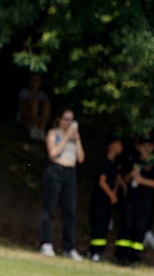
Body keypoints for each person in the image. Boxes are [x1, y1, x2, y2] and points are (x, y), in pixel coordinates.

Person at [39, 108, 84, 259]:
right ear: (59, 119)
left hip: (70, 173)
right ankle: (46, 243)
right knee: (49, 208)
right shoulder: (54, 133)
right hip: (56, 170)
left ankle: (69, 247)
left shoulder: (74, 137)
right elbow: (52, 154)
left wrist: (77, 139)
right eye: (66, 119)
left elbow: (81, 158)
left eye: (71, 120)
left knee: (69, 211)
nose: (68, 123)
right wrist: (65, 137)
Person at [117, 136, 154, 265]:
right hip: (131, 197)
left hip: (145, 199)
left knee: (140, 226)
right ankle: (121, 255)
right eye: (144, 146)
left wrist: (142, 180)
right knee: (126, 224)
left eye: (149, 146)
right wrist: (131, 175)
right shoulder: (133, 160)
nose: (146, 149)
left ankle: (134, 256)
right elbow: (124, 178)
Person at [87, 137, 124, 261]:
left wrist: (117, 190)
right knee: (99, 224)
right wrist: (111, 195)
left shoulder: (115, 163)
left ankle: (99, 251)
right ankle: (94, 252)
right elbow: (102, 181)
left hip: (108, 200)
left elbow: (116, 178)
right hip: (100, 199)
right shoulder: (105, 162)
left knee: (105, 225)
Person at [16, 72, 51, 140]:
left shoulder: (43, 95)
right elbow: (22, 107)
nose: (35, 83)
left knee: (46, 102)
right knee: (34, 102)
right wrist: (35, 118)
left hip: (40, 118)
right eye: (33, 80)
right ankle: (34, 127)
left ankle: (41, 128)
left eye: (37, 80)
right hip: (26, 117)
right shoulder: (23, 92)